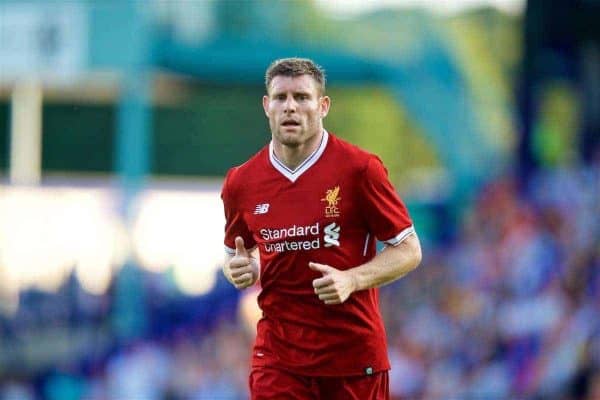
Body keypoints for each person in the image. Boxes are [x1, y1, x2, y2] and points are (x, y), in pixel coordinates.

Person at [221, 57, 422, 400]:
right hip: (279, 360)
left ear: (323, 105)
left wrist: (352, 279)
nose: (290, 107)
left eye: (301, 97)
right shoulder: (242, 181)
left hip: (352, 359)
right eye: (281, 98)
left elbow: (409, 250)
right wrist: (242, 269)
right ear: (267, 106)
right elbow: (235, 258)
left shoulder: (360, 169)